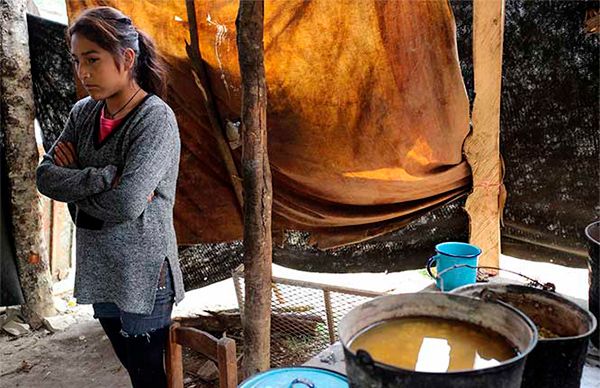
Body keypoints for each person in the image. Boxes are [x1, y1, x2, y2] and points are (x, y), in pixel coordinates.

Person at [36, 6, 185, 387]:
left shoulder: (155, 119)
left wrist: (73, 183)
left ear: (127, 58)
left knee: (148, 375)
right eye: (77, 61)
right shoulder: (82, 113)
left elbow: (127, 203)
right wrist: (100, 176)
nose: (83, 73)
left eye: (93, 60)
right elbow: (45, 177)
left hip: (144, 273)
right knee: (135, 370)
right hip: (102, 267)